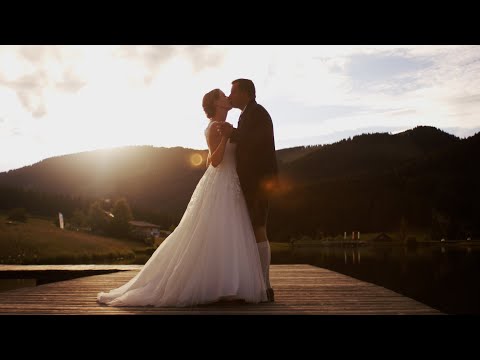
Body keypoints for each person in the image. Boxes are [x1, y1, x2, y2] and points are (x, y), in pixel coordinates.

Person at [97, 88, 267, 307]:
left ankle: (227, 285)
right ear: (215, 103)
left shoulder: (223, 126)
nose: (227, 97)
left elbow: (207, 161)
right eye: (222, 96)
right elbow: (215, 162)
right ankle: (217, 285)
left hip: (230, 183)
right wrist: (226, 138)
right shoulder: (216, 127)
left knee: (227, 232)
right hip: (222, 183)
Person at [218, 78, 279, 302]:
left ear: (246, 93)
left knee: (258, 228)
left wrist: (232, 133)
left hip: (260, 182)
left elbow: (255, 142)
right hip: (251, 182)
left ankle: (266, 286)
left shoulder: (258, 114)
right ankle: (258, 284)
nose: (230, 96)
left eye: (233, 92)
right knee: (254, 229)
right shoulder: (247, 114)